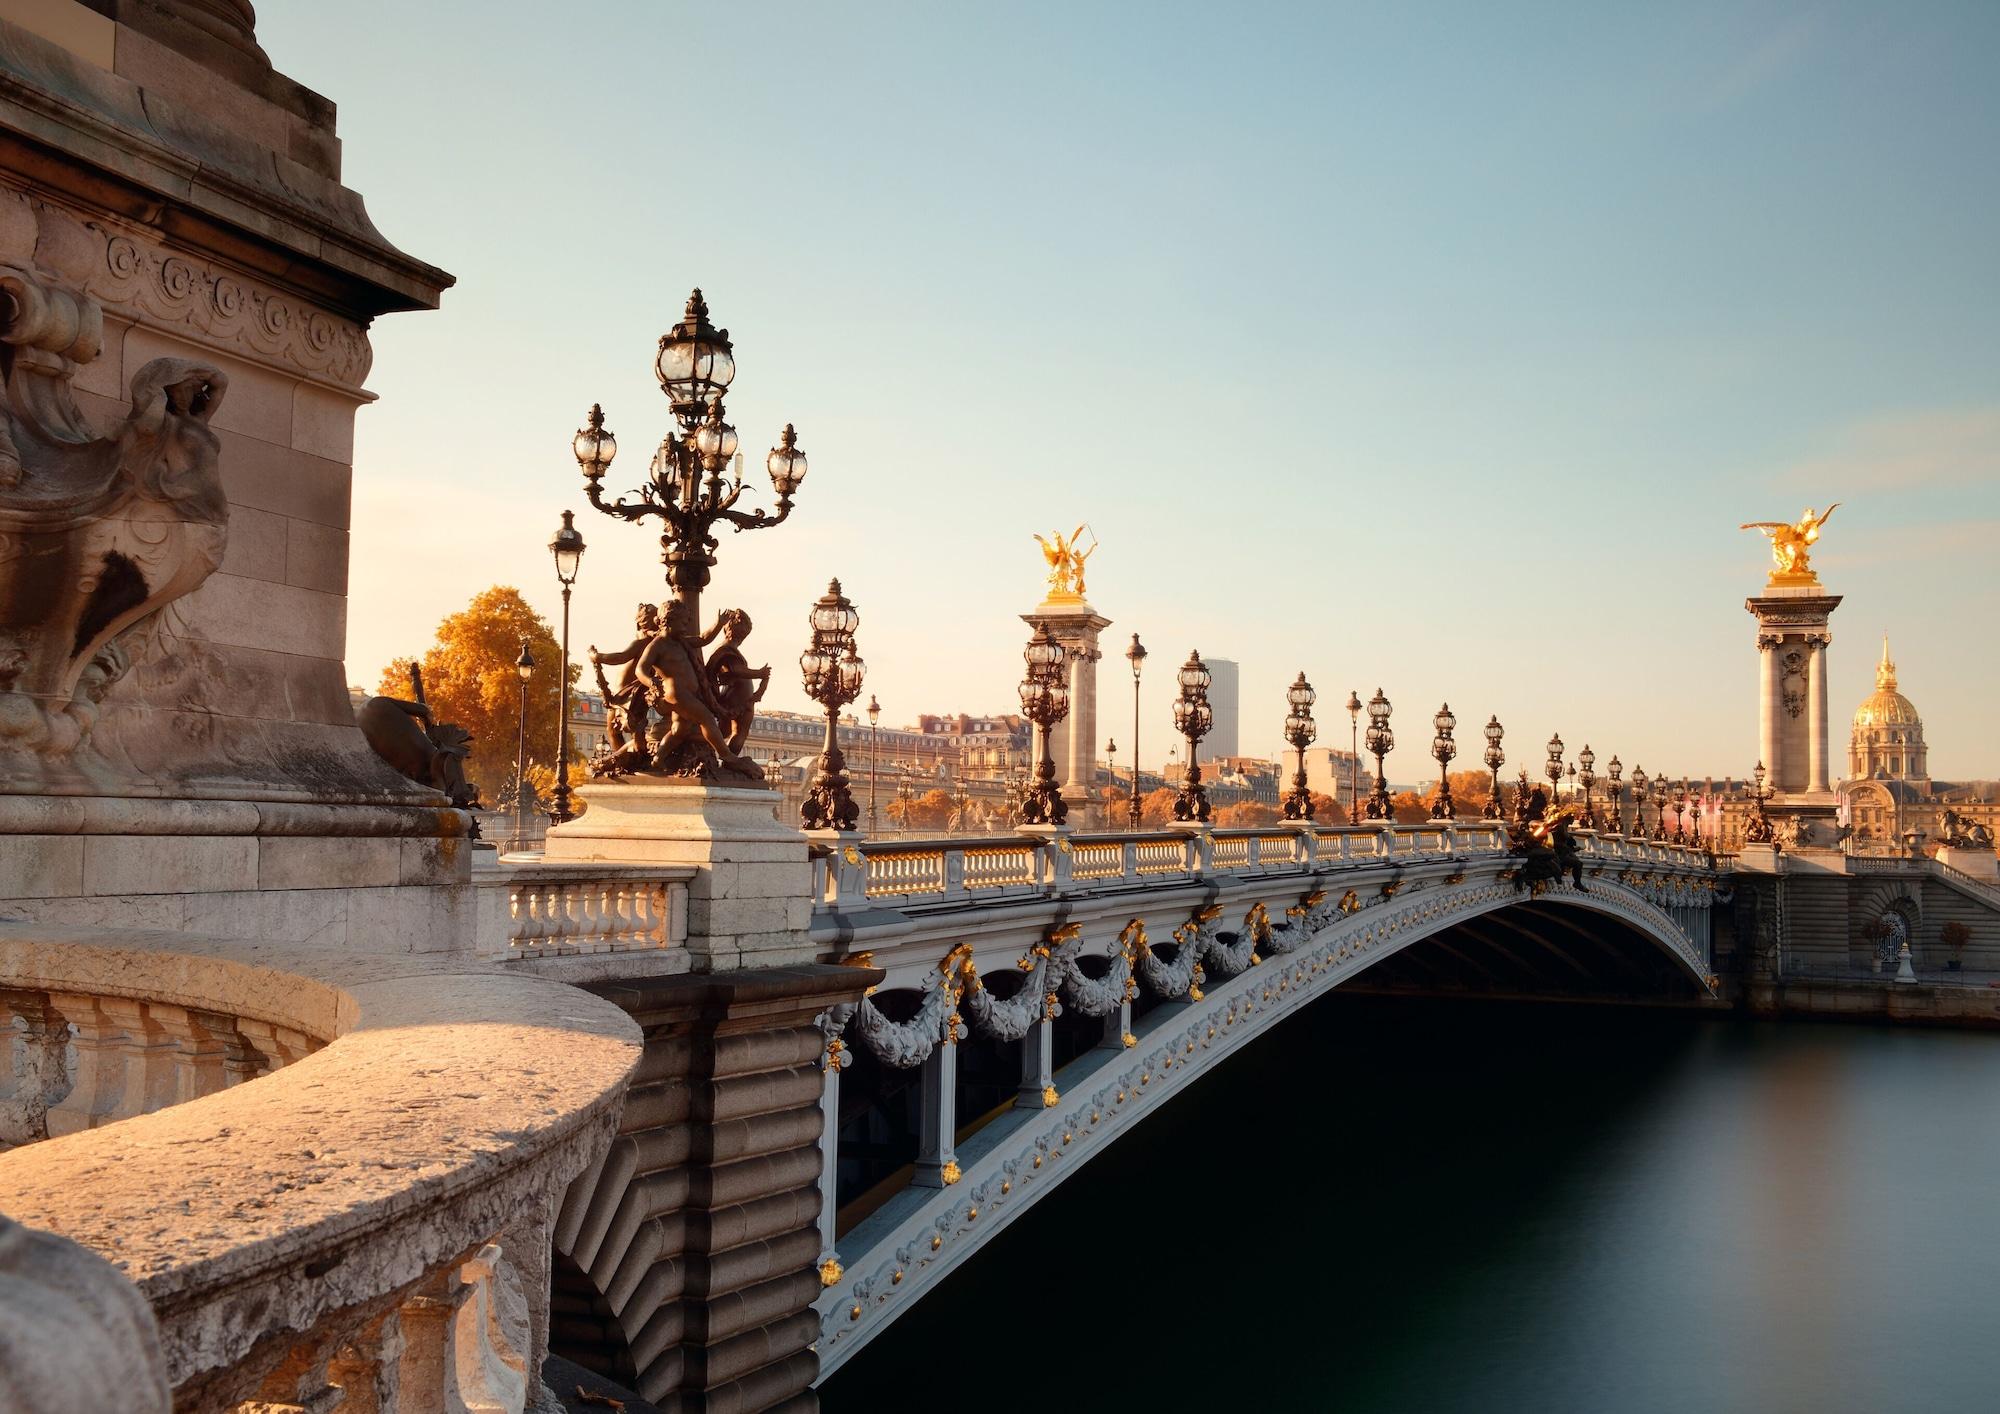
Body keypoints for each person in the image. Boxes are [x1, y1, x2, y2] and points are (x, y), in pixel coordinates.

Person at [701, 608, 770, 755]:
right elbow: (736, 670)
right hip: (739, 698)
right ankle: (728, 760)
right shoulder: (727, 649)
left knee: (725, 730)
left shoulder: (726, 649)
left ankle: (710, 752)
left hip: (733, 695)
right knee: (739, 731)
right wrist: (759, 673)